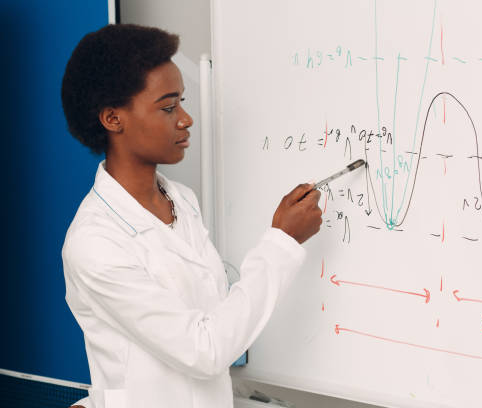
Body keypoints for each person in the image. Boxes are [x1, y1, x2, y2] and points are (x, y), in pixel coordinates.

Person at [61, 24, 322, 408]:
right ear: (113, 119)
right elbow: (205, 350)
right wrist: (281, 242)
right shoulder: (94, 243)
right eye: (168, 107)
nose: (186, 119)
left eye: (182, 102)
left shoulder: (181, 200)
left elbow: (210, 318)